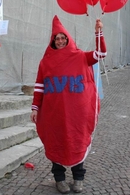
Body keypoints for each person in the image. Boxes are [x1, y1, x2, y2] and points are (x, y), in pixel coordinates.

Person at [30, 15, 107, 194]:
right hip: (53, 112)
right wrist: (35, 107)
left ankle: (78, 178)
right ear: (53, 41)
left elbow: (101, 54)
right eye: (57, 38)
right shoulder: (45, 62)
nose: (60, 41)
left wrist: (99, 33)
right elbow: (40, 86)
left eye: (63, 37)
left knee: (76, 141)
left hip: (76, 113)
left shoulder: (80, 56)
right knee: (56, 141)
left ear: (68, 39)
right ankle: (60, 180)